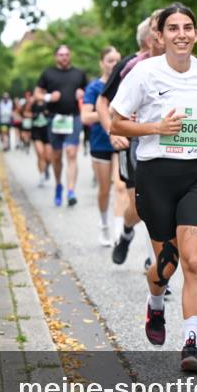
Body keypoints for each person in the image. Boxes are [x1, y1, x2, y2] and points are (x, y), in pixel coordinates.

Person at [110, 3, 197, 372]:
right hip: (156, 175)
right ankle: (155, 303)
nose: (181, 34)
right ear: (159, 36)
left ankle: (191, 341)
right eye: (173, 28)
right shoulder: (144, 73)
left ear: (196, 33)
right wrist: (155, 129)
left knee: (193, 258)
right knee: (167, 264)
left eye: (188, 27)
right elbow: (116, 124)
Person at [98, 14, 165, 265]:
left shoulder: (183, 65)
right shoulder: (131, 65)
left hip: (168, 142)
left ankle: (155, 262)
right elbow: (103, 102)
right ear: (150, 37)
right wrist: (113, 132)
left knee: (162, 200)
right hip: (135, 140)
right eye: (160, 30)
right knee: (142, 202)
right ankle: (126, 232)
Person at [35, 45, 88, 207]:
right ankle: (58, 185)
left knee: (71, 153)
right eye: (60, 55)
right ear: (55, 56)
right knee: (56, 156)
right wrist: (49, 97)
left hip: (74, 118)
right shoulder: (48, 73)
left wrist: (83, 94)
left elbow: (89, 95)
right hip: (54, 119)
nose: (64, 57)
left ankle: (71, 191)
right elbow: (37, 94)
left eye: (66, 54)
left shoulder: (79, 74)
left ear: (70, 56)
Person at [82, 45, 122, 246]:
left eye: (117, 61)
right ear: (101, 63)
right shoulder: (94, 88)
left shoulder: (124, 84)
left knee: (121, 186)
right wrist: (107, 113)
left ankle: (118, 230)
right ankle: (104, 224)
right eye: (110, 61)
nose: (114, 64)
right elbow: (85, 116)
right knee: (104, 189)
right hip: (100, 143)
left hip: (122, 140)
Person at [30, 93, 52, 186]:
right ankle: (42, 175)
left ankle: (46, 168)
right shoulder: (32, 103)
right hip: (36, 130)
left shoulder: (49, 102)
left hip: (47, 130)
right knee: (40, 154)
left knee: (49, 157)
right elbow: (23, 112)